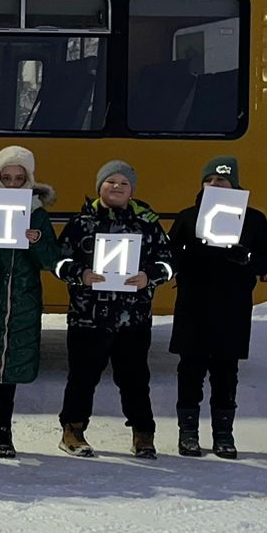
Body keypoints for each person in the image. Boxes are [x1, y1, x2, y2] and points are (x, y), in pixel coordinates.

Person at [54, 160, 176, 459]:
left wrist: (151, 275)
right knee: (82, 377)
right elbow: (57, 262)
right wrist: (79, 273)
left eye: (123, 183)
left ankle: (143, 435)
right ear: (100, 187)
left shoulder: (147, 223)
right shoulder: (81, 222)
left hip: (132, 318)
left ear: (132, 189)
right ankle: (73, 430)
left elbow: (170, 263)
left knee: (135, 379)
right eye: (110, 182)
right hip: (88, 317)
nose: (117, 187)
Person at [167, 156, 267, 459]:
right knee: (190, 369)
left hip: (232, 306)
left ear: (235, 184)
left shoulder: (253, 219)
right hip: (194, 304)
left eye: (223, 180)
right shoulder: (188, 217)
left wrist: (248, 259)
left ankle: (223, 434)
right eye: (211, 180)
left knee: (226, 371)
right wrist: (182, 260)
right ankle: (188, 433)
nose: (216, 185)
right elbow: (169, 254)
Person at [0, 145, 59, 459]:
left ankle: (4, 434)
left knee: (11, 370)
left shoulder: (38, 214)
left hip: (22, 302)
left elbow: (50, 261)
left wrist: (37, 242)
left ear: (29, 179)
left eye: (20, 178)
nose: (13, 184)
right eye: (6, 178)